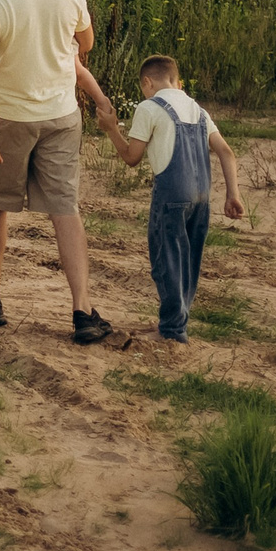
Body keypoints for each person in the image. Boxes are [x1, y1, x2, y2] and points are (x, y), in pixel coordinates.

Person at [0, 0, 118, 345]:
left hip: (11, 116)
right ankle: (82, 310)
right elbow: (85, 42)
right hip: (61, 115)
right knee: (64, 209)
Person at [99, 55, 245, 343]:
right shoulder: (198, 110)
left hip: (172, 194)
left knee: (166, 259)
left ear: (147, 82)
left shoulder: (149, 107)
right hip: (202, 196)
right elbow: (226, 152)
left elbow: (132, 157)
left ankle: (172, 330)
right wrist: (233, 194)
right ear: (177, 82)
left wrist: (111, 129)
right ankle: (177, 322)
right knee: (189, 260)